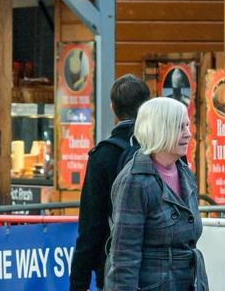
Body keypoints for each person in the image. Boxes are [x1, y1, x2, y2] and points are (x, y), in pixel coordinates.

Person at [105, 97, 208, 291]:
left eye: (187, 126)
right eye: (180, 127)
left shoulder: (185, 173)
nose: (188, 134)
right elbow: (123, 256)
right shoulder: (134, 181)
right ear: (160, 130)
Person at [70, 74, 152, 290]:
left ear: (112, 108)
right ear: (147, 106)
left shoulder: (103, 155)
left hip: (113, 262)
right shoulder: (162, 150)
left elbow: (91, 226)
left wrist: (78, 282)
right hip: (159, 264)